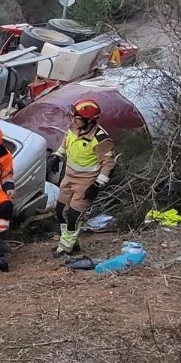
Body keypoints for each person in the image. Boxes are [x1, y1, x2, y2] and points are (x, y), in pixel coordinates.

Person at [50, 99, 116, 257]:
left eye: (77, 118)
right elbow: (66, 142)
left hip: (86, 182)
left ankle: (66, 246)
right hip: (69, 177)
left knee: (73, 215)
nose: (73, 120)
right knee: (60, 211)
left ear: (89, 121)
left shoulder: (101, 140)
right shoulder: (74, 127)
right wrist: (57, 155)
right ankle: (72, 242)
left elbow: (108, 164)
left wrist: (97, 185)